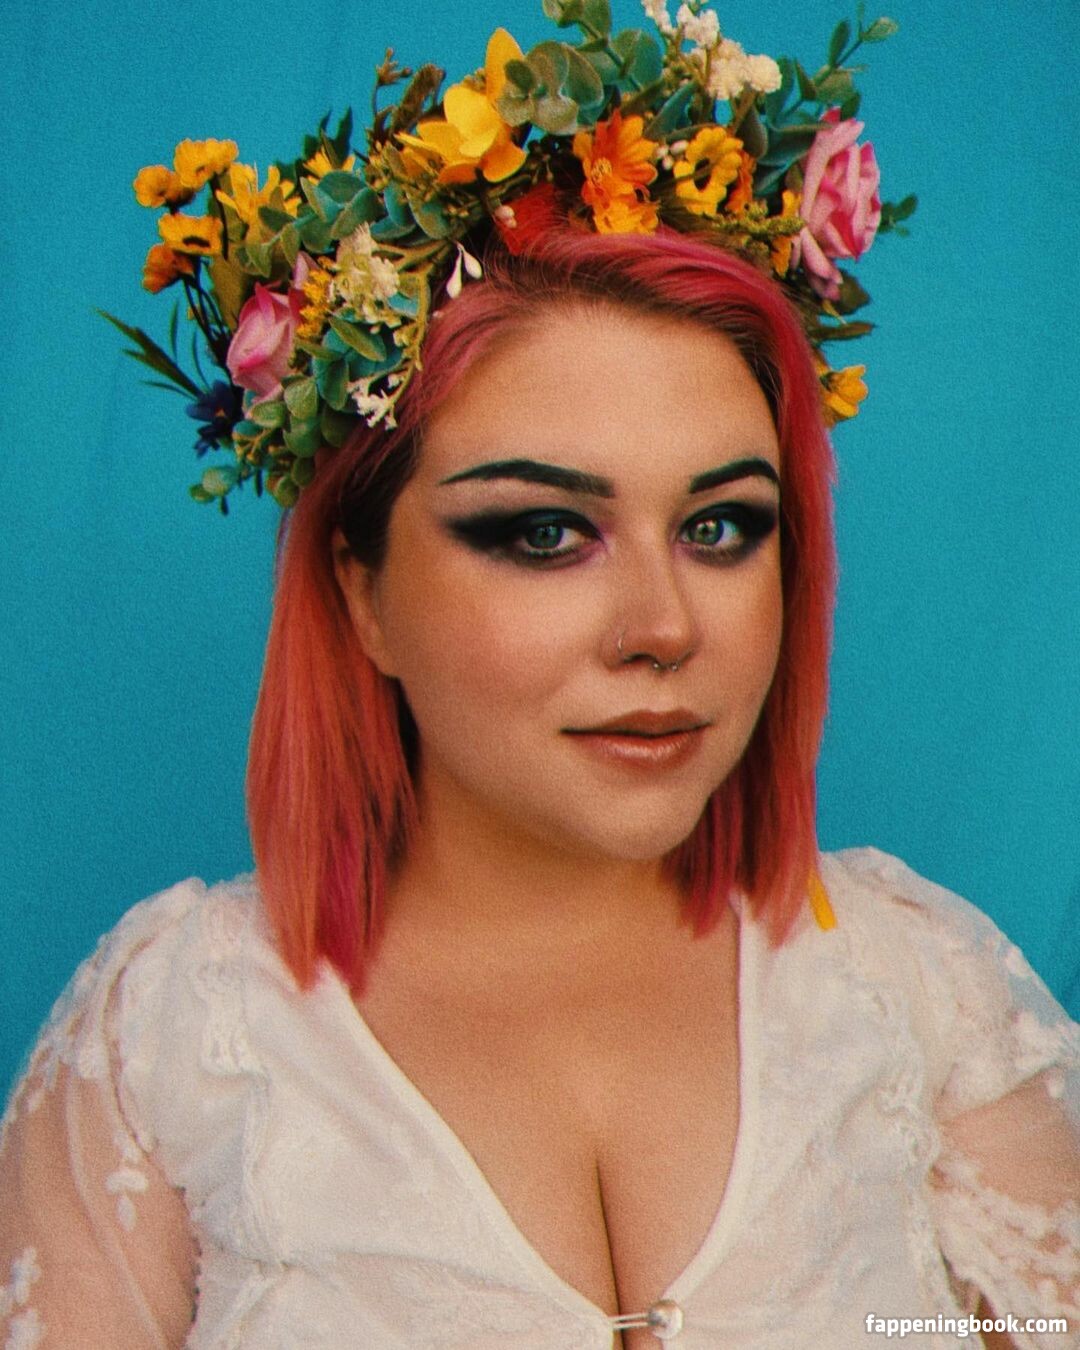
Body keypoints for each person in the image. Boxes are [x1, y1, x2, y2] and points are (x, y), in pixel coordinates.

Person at [2, 6, 1077, 1347]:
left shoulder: (922, 982)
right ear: (359, 591)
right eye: (545, 533)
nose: (662, 626)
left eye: (721, 527)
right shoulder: (168, 1033)